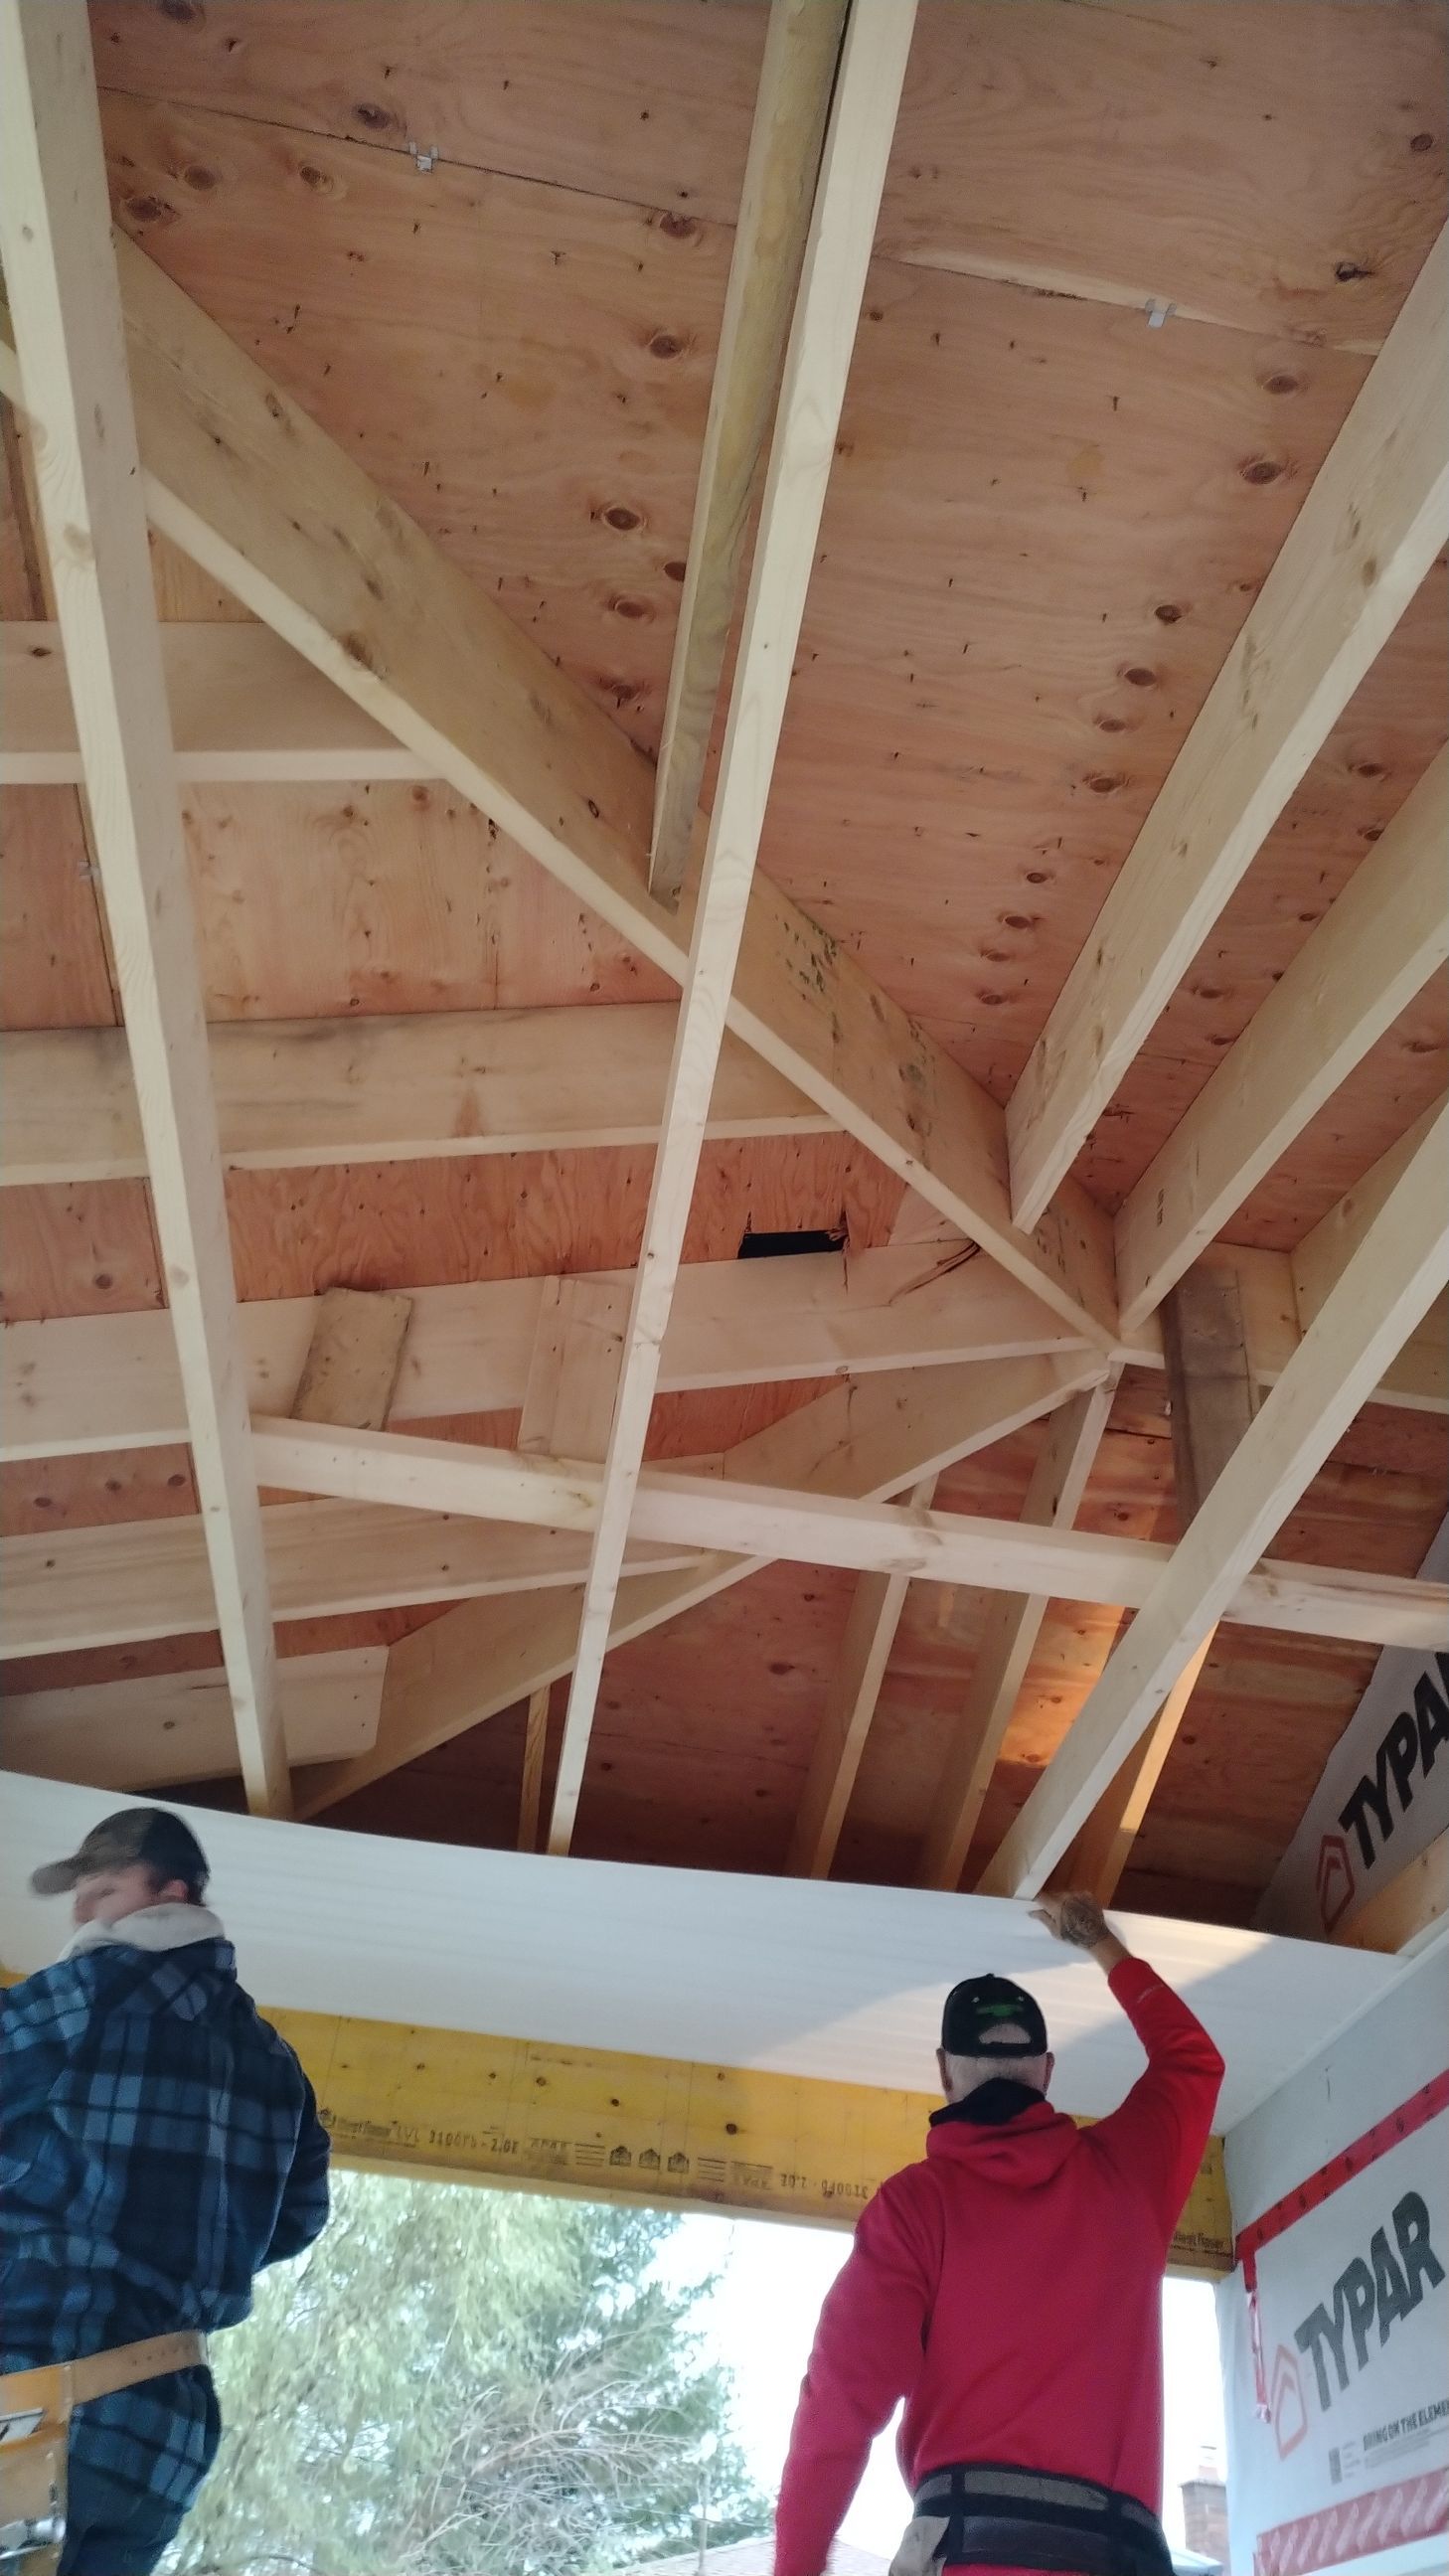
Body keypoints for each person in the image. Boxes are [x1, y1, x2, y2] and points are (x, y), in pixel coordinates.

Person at [773, 1891, 1225, 2576]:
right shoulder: (1127, 2178)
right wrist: (1102, 1944)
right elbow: (1193, 2062)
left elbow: (837, 2407)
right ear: (1046, 2072)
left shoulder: (915, 2208)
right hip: (1116, 2557)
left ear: (945, 2072)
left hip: (969, 2554)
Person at [0, 1806, 331, 2575]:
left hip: (31, 2402)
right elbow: (299, 2220)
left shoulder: (87, 1994)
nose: (82, 1913)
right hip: (160, 2439)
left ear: (172, 1893)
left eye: (103, 1890)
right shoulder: (277, 2063)